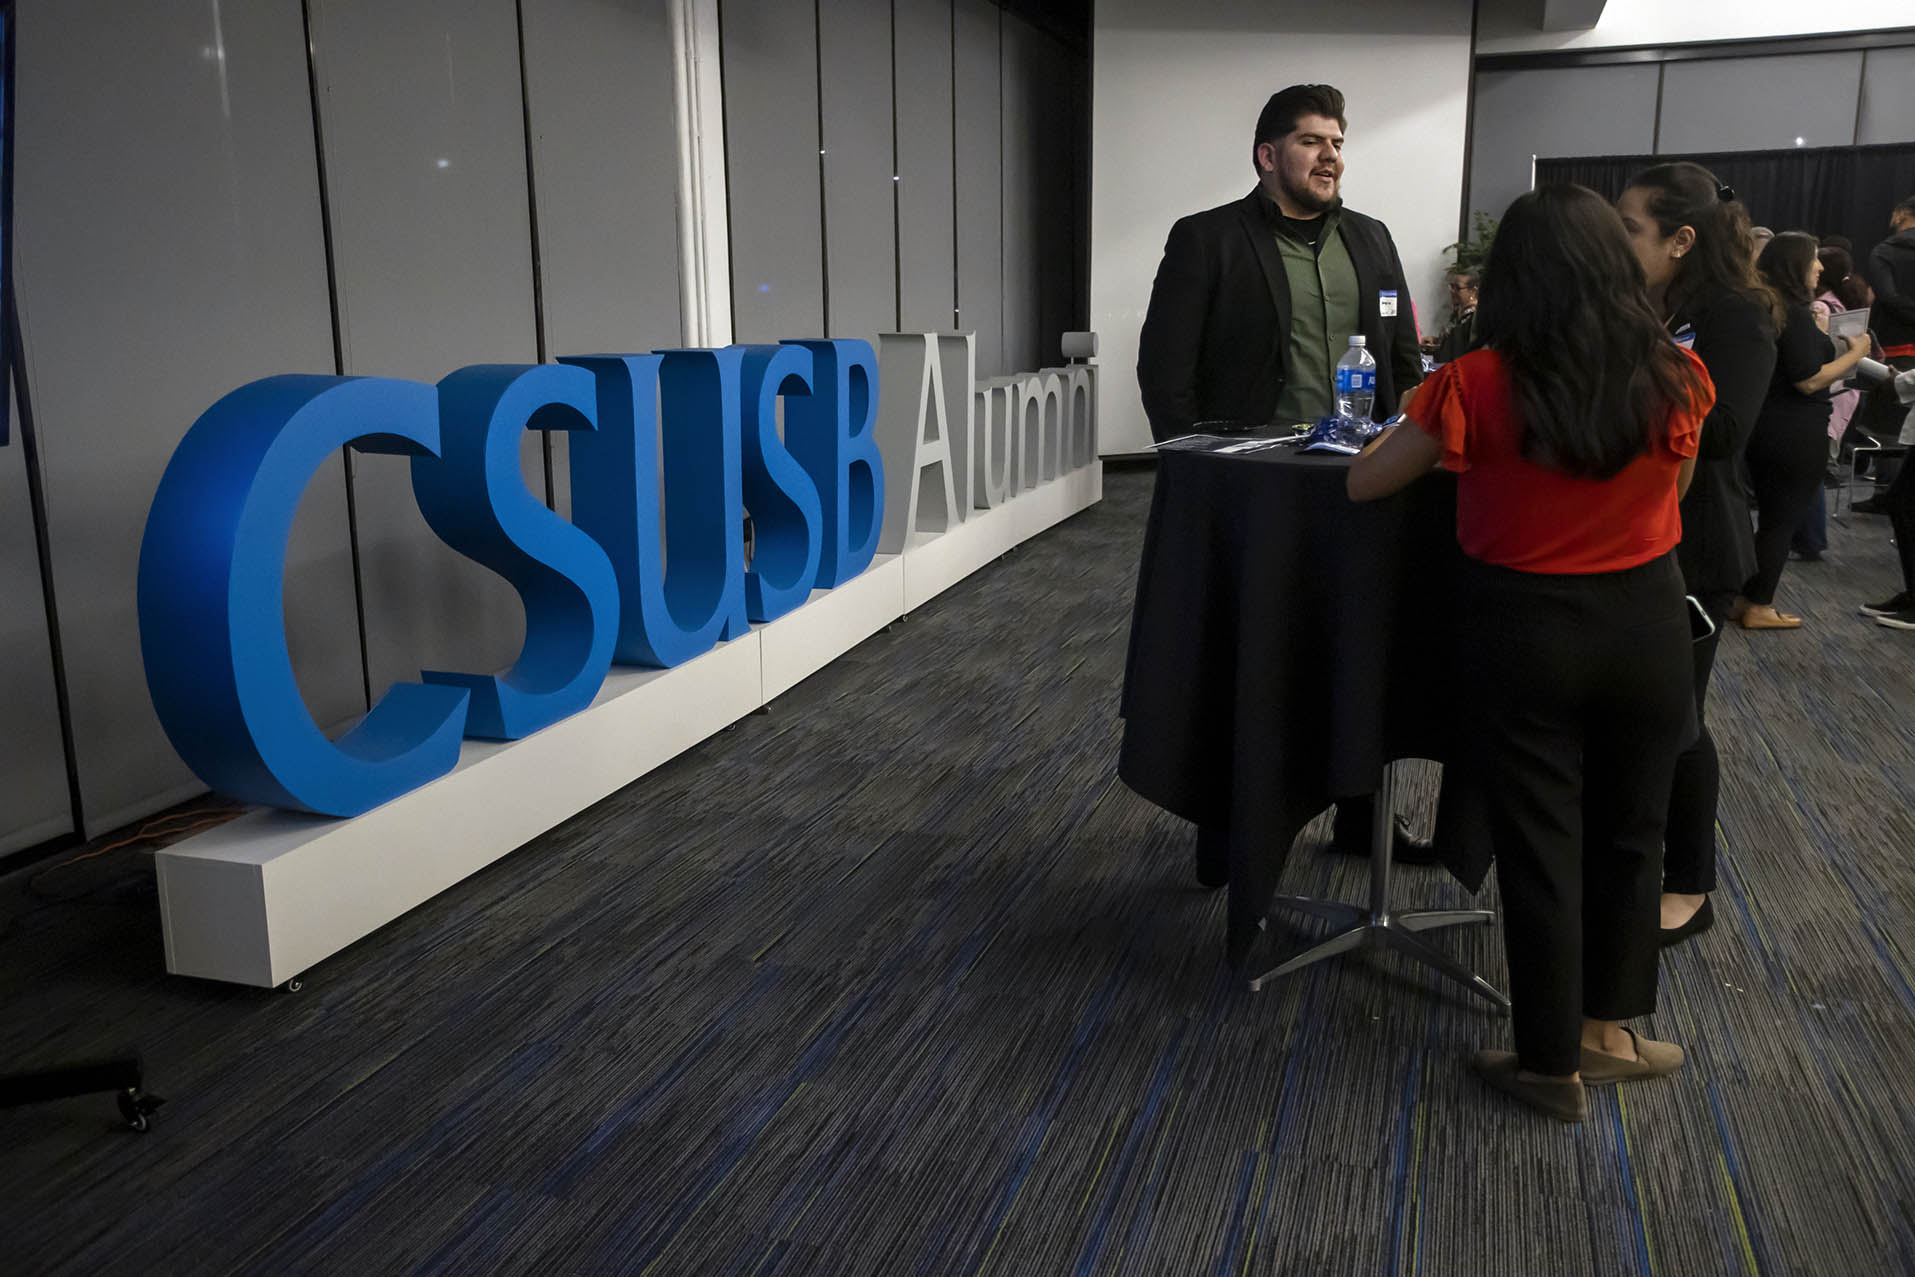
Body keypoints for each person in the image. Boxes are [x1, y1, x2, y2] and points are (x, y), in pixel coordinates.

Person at [1348, 184, 1714, 1122]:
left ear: (1509, 277)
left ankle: (1550, 1064)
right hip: (1644, 620)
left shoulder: (1471, 382)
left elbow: (1365, 481)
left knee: (1540, 841)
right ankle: (1611, 1029)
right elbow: (1661, 497)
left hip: (1523, 626)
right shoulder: (1676, 375)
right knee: (1634, 829)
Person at [1136, 82, 1430, 868]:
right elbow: (1165, 372)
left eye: (1337, 141)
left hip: (1357, 479)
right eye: (1311, 140)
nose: (1330, 153)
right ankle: (1228, 827)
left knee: (1360, 646)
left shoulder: (1370, 240)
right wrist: (1197, 477)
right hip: (1252, 493)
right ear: (1267, 156)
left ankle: (1363, 818)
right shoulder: (1207, 238)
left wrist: (1405, 439)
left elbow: (1398, 351)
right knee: (1245, 652)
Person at [1614, 162, 1777, 944]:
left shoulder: (1734, 313)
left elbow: (1722, 432)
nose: (1615, 243)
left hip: (1700, 541)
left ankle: (1689, 885)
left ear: (1681, 239)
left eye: (1629, 229)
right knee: (1642, 714)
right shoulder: (1646, 302)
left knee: (1677, 717)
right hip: (1631, 531)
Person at [1733, 232, 1870, 629]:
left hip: (1770, 426)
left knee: (1771, 519)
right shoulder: (1790, 311)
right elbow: (1808, 380)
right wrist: (1856, 354)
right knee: (1781, 520)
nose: (1821, 267)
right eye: (1813, 259)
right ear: (1795, 264)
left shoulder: (1768, 306)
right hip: (1795, 429)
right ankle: (1758, 605)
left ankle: (1745, 597)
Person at [1791, 246, 1868, 561]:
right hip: (1841, 393)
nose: (1817, 268)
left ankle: (1810, 538)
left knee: (1810, 472)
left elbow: (1815, 365)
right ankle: (1809, 537)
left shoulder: (1820, 309)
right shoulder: (1844, 302)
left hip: (1828, 393)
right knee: (1813, 470)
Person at [1854, 197, 1915, 514]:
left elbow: (1887, 297)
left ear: (1901, 213)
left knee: (1888, 428)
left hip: (1894, 349)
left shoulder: (1884, 252)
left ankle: (1888, 498)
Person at [1422, 268, 1479, 364]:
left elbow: (1459, 348)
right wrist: (1435, 341)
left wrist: (1437, 348)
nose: (1453, 291)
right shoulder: (1458, 313)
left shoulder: (1473, 317)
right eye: (1451, 286)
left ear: (1473, 290)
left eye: (1458, 288)